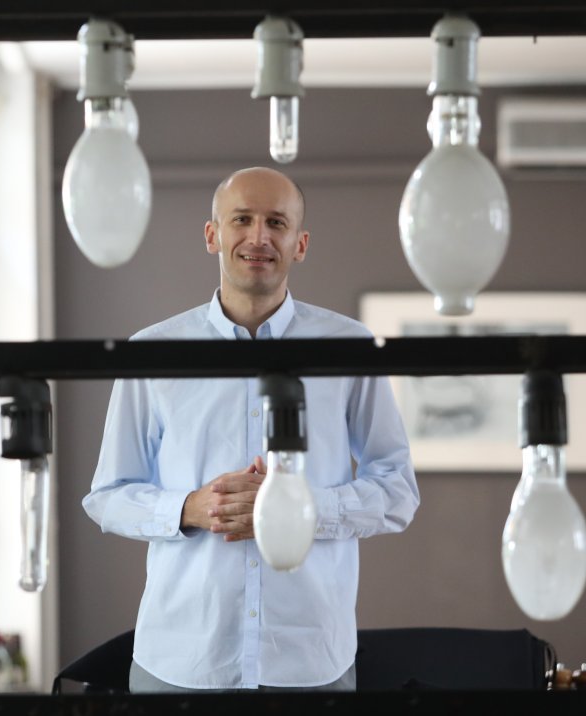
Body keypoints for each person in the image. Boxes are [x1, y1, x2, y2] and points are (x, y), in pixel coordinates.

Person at [83, 166, 419, 693]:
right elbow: (107, 496)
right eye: (241, 219)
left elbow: (398, 492)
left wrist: (297, 510)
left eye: (276, 222)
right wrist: (191, 508)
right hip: (181, 660)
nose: (258, 237)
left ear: (300, 244)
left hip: (311, 661)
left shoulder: (351, 348)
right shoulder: (151, 353)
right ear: (212, 235)